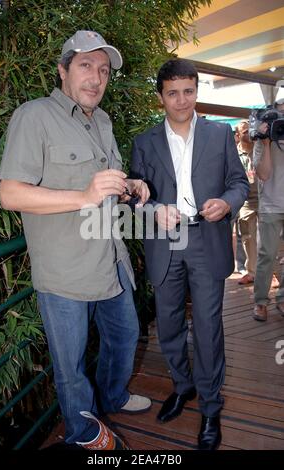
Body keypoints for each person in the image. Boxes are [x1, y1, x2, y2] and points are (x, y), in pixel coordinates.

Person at [0, 30, 151, 450]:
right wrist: (84, 195)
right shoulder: (34, 116)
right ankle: (84, 433)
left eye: (103, 70)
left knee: (124, 337)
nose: (96, 78)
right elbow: (10, 193)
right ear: (63, 69)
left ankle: (114, 398)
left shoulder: (101, 121)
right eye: (86, 66)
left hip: (110, 258)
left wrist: (131, 187)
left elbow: (104, 186)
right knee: (70, 367)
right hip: (65, 270)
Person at [130, 58, 249, 450]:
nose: (181, 101)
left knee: (209, 328)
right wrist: (151, 211)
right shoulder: (144, 142)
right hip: (165, 244)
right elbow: (134, 199)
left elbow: (238, 182)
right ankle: (183, 387)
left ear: (196, 91)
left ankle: (211, 406)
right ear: (160, 96)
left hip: (206, 238)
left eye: (188, 91)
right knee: (167, 325)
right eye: (172, 93)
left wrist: (227, 203)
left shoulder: (219, 135)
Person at [253, 98, 284, 321]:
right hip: (271, 204)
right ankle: (260, 302)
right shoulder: (263, 139)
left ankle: (282, 299)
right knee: (267, 255)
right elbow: (263, 174)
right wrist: (265, 142)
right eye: (279, 114)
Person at [236, 120, 257, 285]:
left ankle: (264, 269)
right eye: (244, 131)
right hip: (245, 201)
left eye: (250, 129)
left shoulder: (262, 147)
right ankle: (251, 272)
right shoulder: (234, 154)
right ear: (238, 135)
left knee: (266, 238)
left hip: (266, 198)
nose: (248, 133)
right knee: (247, 237)